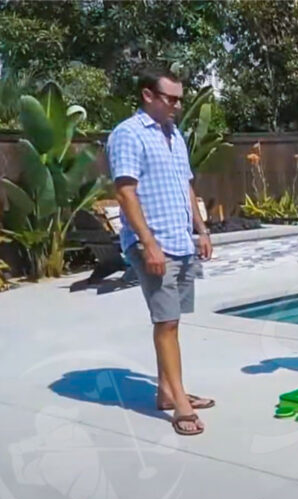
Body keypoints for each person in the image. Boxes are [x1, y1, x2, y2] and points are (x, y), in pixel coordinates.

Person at [107, 66, 215, 435]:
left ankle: (166, 392)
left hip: (180, 240)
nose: (178, 105)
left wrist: (201, 230)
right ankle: (180, 405)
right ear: (148, 96)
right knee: (165, 322)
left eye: (180, 99)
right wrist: (147, 244)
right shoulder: (128, 134)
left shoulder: (175, 134)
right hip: (154, 244)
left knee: (173, 320)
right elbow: (125, 192)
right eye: (171, 98)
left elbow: (186, 184)